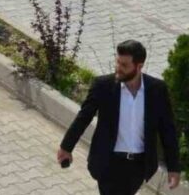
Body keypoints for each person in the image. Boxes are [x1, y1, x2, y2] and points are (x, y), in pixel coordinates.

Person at [59, 40, 182, 195]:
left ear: (139, 66)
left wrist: (174, 167)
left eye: (124, 65)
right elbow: (84, 117)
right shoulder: (103, 85)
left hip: (139, 166)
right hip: (109, 162)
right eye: (118, 62)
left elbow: (167, 130)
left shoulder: (157, 90)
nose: (118, 68)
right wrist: (66, 147)